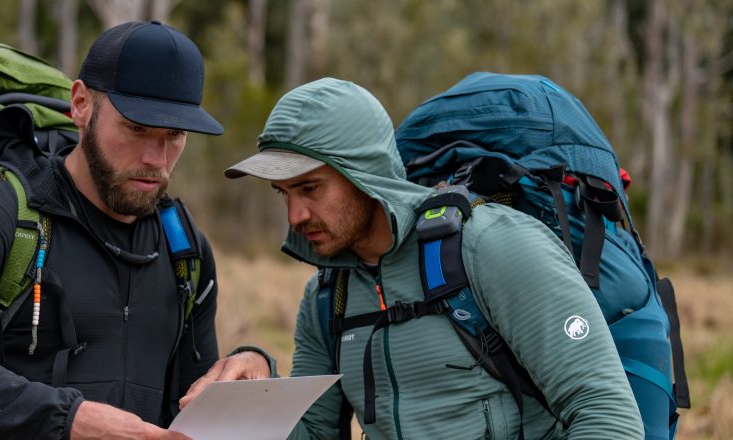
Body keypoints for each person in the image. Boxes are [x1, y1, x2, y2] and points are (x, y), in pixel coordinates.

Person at [181, 78, 644, 439]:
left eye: (309, 188)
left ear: (362, 173)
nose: (295, 215)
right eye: (283, 193)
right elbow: (317, 434)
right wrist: (256, 385)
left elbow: (606, 413)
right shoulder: (326, 298)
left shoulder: (490, 247)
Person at [0, 21, 223, 439]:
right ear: (81, 105)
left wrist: (253, 368)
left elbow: (193, 407)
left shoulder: (183, 247)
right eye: (137, 128)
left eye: (175, 135)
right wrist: (68, 420)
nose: (155, 157)